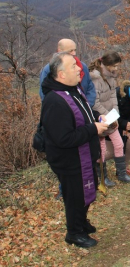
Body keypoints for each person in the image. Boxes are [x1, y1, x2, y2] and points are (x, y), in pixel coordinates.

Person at [41, 52, 108, 248]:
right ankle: (74, 232)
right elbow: (63, 138)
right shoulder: (54, 101)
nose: (80, 68)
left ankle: (81, 221)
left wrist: (96, 117)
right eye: (73, 66)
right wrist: (93, 129)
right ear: (61, 75)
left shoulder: (73, 90)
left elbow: (83, 113)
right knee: (75, 196)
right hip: (69, 160)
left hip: (84, 155)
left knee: (87, 190)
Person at [89, 52, 130, 184]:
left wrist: (115, 113)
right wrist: (108, 116)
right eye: (114, 66)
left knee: (119, 143)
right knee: (102, 148)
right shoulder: (95, 78)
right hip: (101, 118)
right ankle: (102, 177)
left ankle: (121, 174)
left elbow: (113, 97)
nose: (116, 69)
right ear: (107, 64)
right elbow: (95, 103)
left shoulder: (111, 77)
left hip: (111, 117)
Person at [39, 39, 96, 107]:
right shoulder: (49, 69)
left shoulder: (82, 66)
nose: (74, 53)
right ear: (60, 51)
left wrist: (87, 105)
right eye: (70, 51)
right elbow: (44, 93)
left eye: (75, 50)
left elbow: (90, 85)